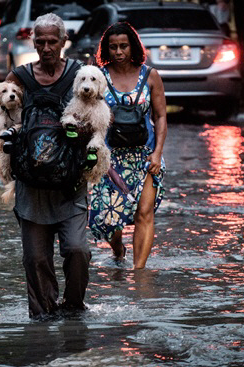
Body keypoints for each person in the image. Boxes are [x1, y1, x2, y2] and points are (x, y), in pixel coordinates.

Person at [4, 13, 91, 319]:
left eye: (52, 41)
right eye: (39, 41)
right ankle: (42, 325)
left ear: (63, 42)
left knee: (78, 250)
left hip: (71, 183)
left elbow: (100, 109)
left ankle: (73, 309)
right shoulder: (21, 77)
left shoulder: (80, 74)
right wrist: (8, 127)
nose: (46, 47)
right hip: (32, 188)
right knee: (35, 260)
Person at [89, 22, 168, 269]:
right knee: (111, 220)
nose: (119, 52)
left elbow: (161, 116)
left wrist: (157, 154)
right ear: (106, 49)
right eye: (113, 47)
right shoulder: (98, 76)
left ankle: (139, 274)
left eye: (124, 46)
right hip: (110, 158)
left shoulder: (150, 75)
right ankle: (118, 249)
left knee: (144, 213)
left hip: (146, 156)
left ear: (133, 46)